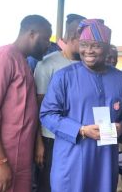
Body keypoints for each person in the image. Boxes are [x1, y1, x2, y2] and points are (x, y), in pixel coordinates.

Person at [40, 19, 122, 192]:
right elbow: (47, 114)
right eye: (84, 44)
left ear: (106, 48)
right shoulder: (64, 77)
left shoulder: (120, 79)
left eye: (95, 46)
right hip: (72, 158)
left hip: (105, 160)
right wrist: (81, 130)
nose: (88, 51)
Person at [0, 15, 52, 192]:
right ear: (32, 33)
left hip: (18, 159)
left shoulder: (23, 62)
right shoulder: (2, 58)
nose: (47, 45)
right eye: (45, 39)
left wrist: (37, 143)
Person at [34, 13, 86, 192]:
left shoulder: (88, 66)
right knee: (49, 185)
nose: (88, 47)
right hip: (51, 138)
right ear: (73, 38)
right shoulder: (48, 64)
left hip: (79, 137)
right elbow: (38, 107)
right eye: (84, 41)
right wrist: (38, 143)